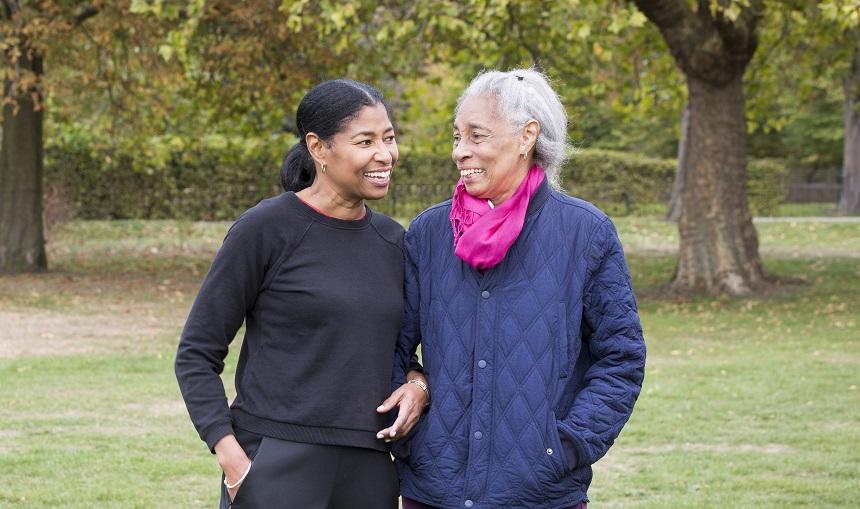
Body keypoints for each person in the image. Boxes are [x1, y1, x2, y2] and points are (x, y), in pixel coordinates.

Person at [392, 69, 646, 509]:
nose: (460, 151)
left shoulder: (585, 233)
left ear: (528, 135)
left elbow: (621, 357)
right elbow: (389, 347)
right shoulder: (430, 233)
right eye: (456, 136)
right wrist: (417, 411)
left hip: (540, 493)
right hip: (434, 489)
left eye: (477, 136)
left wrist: (566, 446)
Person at [175, 79, 428, 509]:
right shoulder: (265, 229)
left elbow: (397, 354)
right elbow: (196, 352)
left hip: (370, 469)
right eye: (365, 141)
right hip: (276, 462)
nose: (385, 154)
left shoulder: (395, 242)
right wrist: (233, 458)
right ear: (318, 147)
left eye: (388, 138)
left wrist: (418, 386)